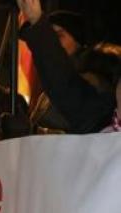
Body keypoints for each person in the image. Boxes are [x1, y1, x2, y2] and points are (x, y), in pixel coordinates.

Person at [17, 0, 115, 134]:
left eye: (58, 35)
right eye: (51, 36)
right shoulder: (49, 86)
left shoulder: (93, 82)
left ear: (78, 42)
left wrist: (33, 131)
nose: (54, 42)